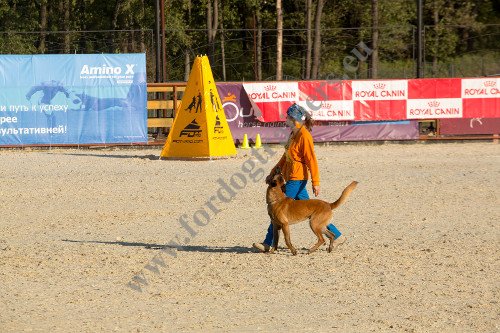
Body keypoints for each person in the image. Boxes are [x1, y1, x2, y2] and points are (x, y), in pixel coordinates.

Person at [253, 103, 346, 252]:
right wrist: (273, 171)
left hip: (298, 177)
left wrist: (316, 182)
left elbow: (311, 160)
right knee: (313, 209)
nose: (286, 119)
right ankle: (338, 236)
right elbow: (286, 156)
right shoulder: (293, 133)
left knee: (278, 210)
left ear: (294, 118)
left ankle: (268, 243)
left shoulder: (304, 136)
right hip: (291, 175)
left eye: (288, 117)